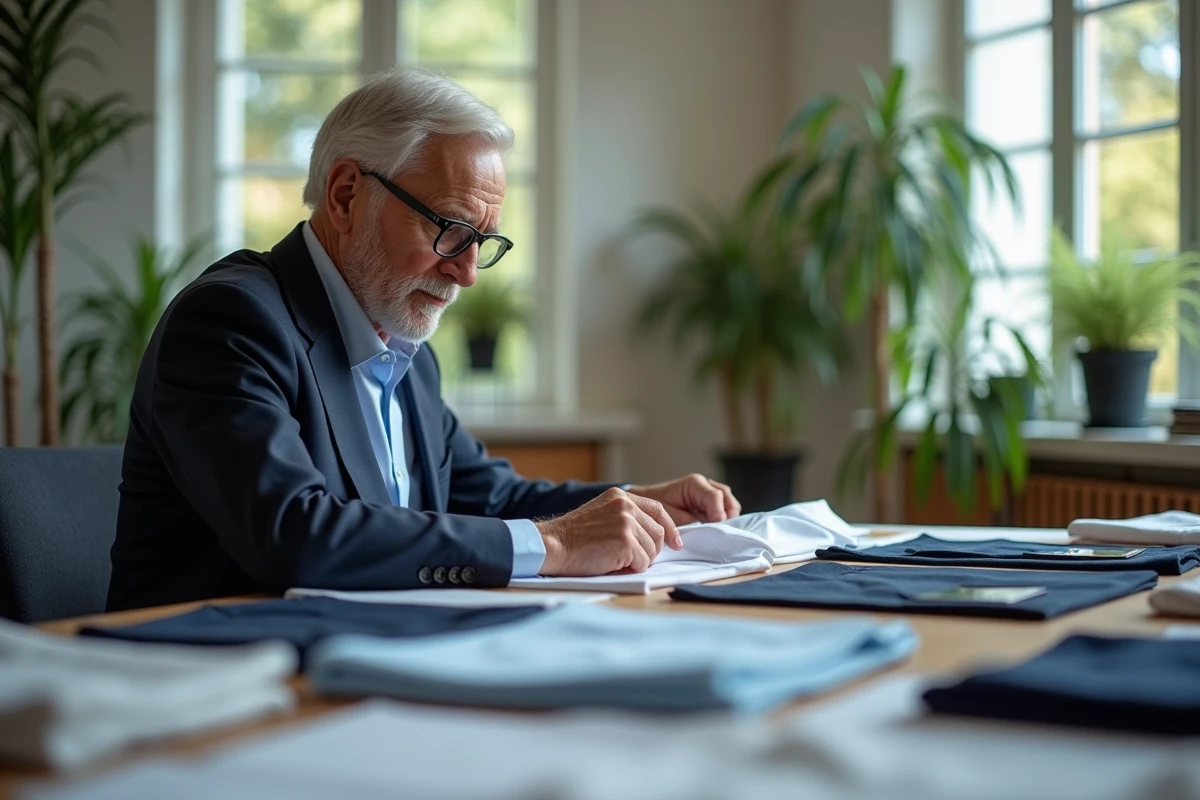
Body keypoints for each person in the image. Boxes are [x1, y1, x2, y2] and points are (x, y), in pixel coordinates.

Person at [107, 68, 741, 612]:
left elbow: (489, 498)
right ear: (346, 195)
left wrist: (635, 505)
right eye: (451, 229)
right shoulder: (231, 321)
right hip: (214, 682)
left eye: (482, 243)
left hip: (362, 656)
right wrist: (557, 544)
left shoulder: (403, 349)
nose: (466, 273)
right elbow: (295, 535)